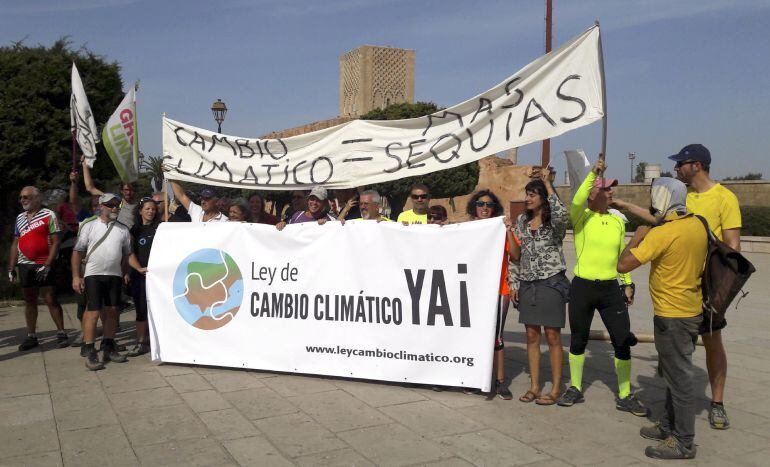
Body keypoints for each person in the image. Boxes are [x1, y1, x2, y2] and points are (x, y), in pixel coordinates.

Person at [613, 144, 739, 430]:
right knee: (676, 355)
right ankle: (672, 419)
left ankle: (716, 404)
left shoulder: (724, 198)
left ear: (696, 165)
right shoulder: (685, 197)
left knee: (712, 342)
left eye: (681, 163)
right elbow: (663, 220)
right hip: (682, 283)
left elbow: (733, 247)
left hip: (707, 284)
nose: (677, 168)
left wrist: (718, 284)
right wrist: (627, 206)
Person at [617, 177, 706, 460]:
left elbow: (623, 264)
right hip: (691, 310)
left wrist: (637, 237)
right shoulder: (697, 224)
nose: (652, 202)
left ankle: (683, 441)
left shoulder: (662, 233)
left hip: (672, 316)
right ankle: (669, 425)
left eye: (654, 196)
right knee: (671, 373)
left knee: (679, 379)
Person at [557, 159, 646, 417]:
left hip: (610, 289)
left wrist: (627, 284)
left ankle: (626, 394)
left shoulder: (618, 222)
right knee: (578, 339)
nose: (611, 192)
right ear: (593, 194)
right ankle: (574, 387)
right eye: (606, 189)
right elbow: (576, 200)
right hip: (583, 288)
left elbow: (622, 256)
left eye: (611, 189)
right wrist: (594, 173)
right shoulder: (581, 217)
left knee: (622, 341)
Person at [508, 169, 569, 405]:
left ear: (543, 197)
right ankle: (534, 385)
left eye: (532, 195)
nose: (527, 199)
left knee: (553, 336)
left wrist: (548, 183)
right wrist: (514, 282)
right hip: (527, 284)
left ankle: (554, 388)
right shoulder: (522, 221)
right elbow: (516, 256)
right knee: (531, 335)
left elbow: (563, 213)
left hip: (551, 282)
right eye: (527, 194)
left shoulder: (554, 222)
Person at [71, 193, 131, 370]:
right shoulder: (89, 226)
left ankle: (108, 345)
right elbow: (77, 252)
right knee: (94, 311)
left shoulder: (123, 229)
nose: (114, 208)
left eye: (117, 205)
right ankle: (90, 349)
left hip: (114, 275)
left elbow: (127, 255)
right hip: (93, 274)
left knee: (112, 311)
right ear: (101, 206)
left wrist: (125, 273)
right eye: (110, 205)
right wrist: (76, 276)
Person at [464, 189, 513, 399]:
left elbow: (516, 255)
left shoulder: (500, 229)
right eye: (481, 204)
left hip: (499, 290)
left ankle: (500, 380)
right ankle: (475, 377)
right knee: (472, 334)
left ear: (495, 209)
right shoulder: (465, 228)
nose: (485, 208)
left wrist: (509, 230)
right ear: (474, 206)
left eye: (489, 205)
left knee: (497, 337)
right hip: (472, 291)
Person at [8, 186, 68, 350]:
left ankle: (61, 332)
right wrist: (11, 267)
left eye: (26, 197)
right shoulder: (20, 218)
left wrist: (48, 264)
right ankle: (31, 336)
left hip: (44, 263)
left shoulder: (49, 214)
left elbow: (56, 242)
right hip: (25, 264)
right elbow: (15, 243)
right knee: (29, 300)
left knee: (50, 299)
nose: (22, 200)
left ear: (37, 198)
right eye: (21, 197)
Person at [126, 197, 159, 356]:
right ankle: (141, 342)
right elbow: (128, 253)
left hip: (157, 277)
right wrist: (131, 270)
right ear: (140, 211)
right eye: (147, 209)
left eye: (153, 209)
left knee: (158, 308)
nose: (151, 211)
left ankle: (158, 341)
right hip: (139, 276)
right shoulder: (133, 230)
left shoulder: (161, 228)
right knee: (140, 309)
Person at [81, 156, 137, 229]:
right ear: (122, 191)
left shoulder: (139, 207)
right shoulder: (111, 201)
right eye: (126, 190)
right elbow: (90, 188)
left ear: (134, 191)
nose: (128, 192)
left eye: (131, 190)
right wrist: (84, 165)